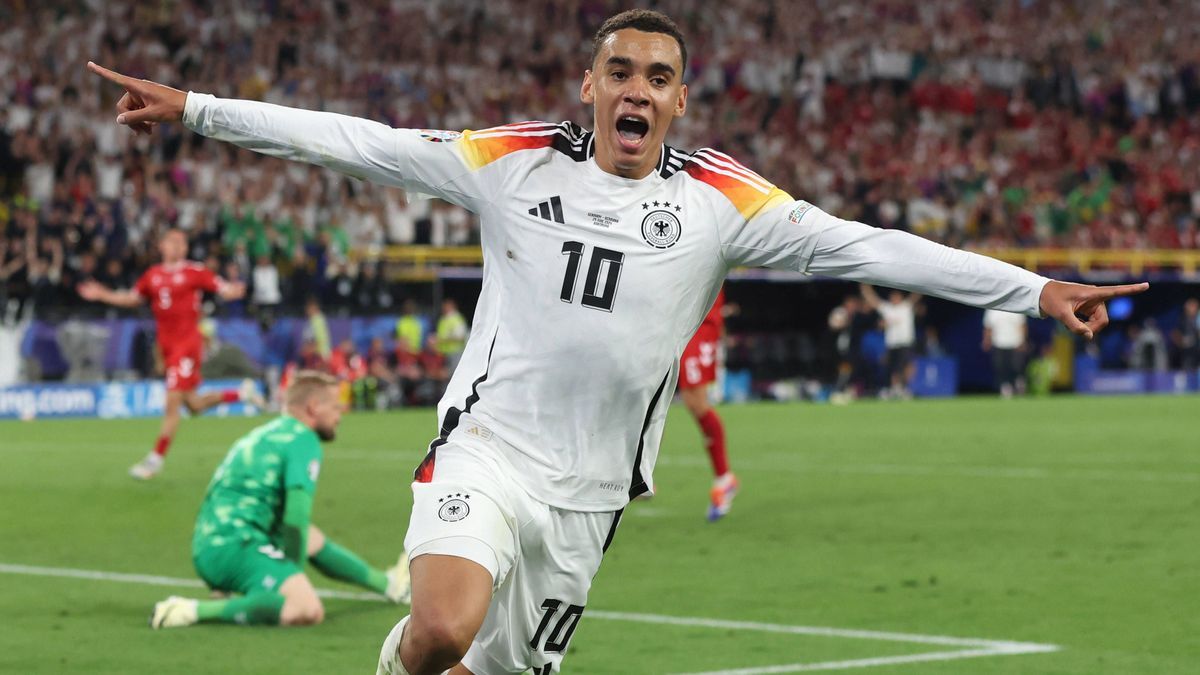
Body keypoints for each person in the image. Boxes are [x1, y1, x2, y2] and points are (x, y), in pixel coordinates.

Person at [88, 9, 1147, 673]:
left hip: (592, 496)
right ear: (588, 87)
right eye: (620, 71)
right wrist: (197, 109)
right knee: (442, 629)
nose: (636, 89)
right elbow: (357, 144)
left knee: (486, 667)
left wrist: (1036, 288)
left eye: (657, 76)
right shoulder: (509, 160)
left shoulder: (724, 200)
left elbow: (866, 246)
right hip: (486, 454)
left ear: (679, 99)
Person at [150, 370, 410, 629]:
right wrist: (292, 573)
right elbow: (295, 518)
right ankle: (190, 611)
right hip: (235, 547)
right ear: (313, 407)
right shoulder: (303, 439)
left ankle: (389, 584)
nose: (339, 415)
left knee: (310, 536)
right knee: (305, 608)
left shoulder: (267, 432)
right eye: (335, 407)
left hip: (209, 543)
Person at [78, 228, 264, 479]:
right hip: (167, 348)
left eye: (182, 243)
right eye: (172, 242)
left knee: (172, 402)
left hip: (187, 347)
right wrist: (103, 294)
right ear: (162, 246)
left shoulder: (195, 272)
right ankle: (242, 393)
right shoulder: (152, 276)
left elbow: (222, 287)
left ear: (186, 249)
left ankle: (154, 461)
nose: (178, 247)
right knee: (195, 405)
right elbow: (132, 299)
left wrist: (234, 290)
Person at [678, 287, 737, 521]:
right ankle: (638, 474)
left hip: (700, 322)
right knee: (691, 402)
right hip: (680, 321)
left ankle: (724, 478)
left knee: (696, 401)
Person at [861, 283, 919, 399]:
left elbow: (916, 295)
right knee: (894, 368)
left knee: (906, 366)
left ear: (901, 298)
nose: (895, 299)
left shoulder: (906, 306)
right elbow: (873, 300)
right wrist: (865, 287)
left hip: (906, 343)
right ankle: (896, 389)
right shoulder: (887, 308)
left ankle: (904, 388)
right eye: (893, 297)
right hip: (892, 344)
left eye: (897, 297)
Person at [982, 308, 1028, 398]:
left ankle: (1019, 385)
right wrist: (986, 340)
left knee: (1016, 367)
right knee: (1000, 367)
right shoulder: (991, 310)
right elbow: (988, 327)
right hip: (999, 343)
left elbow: (1022, 325)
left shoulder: (1016, 307)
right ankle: (1006, 388)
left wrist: (1023, 341)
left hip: (1015, 343)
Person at [435, 298, 468, 374]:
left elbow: (460, 337)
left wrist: (442, 340)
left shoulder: (457, 319)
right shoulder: (444, 319)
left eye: (445, 306)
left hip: (455, 352)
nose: (443, 308)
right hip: (444, 353)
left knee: (455, 375)